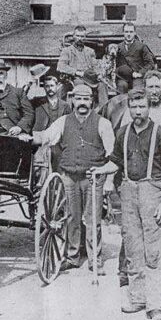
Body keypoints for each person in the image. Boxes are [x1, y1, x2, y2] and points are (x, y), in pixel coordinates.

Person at [88, 89, 161, 320]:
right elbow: (116, 162)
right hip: (128, 191)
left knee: (153, 251)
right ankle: (137, 297)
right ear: (129, 107)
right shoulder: (123, 133)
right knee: (132, 247)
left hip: (153, 192)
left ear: (149, 107)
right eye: (134, 107)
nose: (138, 112)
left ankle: (155, 304)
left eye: (142, 107)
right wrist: (100, 170)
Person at [32, 84, 115, 273]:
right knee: (71, 218)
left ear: (91, 101)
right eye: (78, 99)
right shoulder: (63, 121)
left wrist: (108, 180)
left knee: (93, 219)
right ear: (72, 100)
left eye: (86, 99)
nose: (82, 103)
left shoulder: (103, 123)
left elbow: (112, 155)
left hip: (93, 176)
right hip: (68, 176)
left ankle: (95, 259)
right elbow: (45, 137)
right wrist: (25, 136)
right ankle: (72, 256)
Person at [117, 70, 161, 291]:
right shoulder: (128, 122)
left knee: (158, 236)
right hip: (133, 185)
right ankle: (129, 278)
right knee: (132, 237)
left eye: (157, 87)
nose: (154, 91)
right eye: (150, 86)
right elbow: (120, 155)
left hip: (158, 184)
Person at [32, 75, 73, 173]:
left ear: (57, 86)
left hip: (58, 140)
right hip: (40, 138)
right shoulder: (36, 103)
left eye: (52, 86)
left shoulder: (65, 106)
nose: (50, 89)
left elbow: (69, 125)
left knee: (57, 154)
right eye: (47, 86)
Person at [116, 23, 156, 93]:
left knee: (137, 92)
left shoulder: (142, 46)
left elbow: (150, 63)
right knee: (121, 88)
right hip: (123, 78)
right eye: (126, 32)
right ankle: (123, 104)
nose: (129, 34)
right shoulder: (118, 47)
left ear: (135, 33)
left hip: (138, 78)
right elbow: (115, 64)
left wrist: (140, 73)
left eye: (131, 32)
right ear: (123, 33)